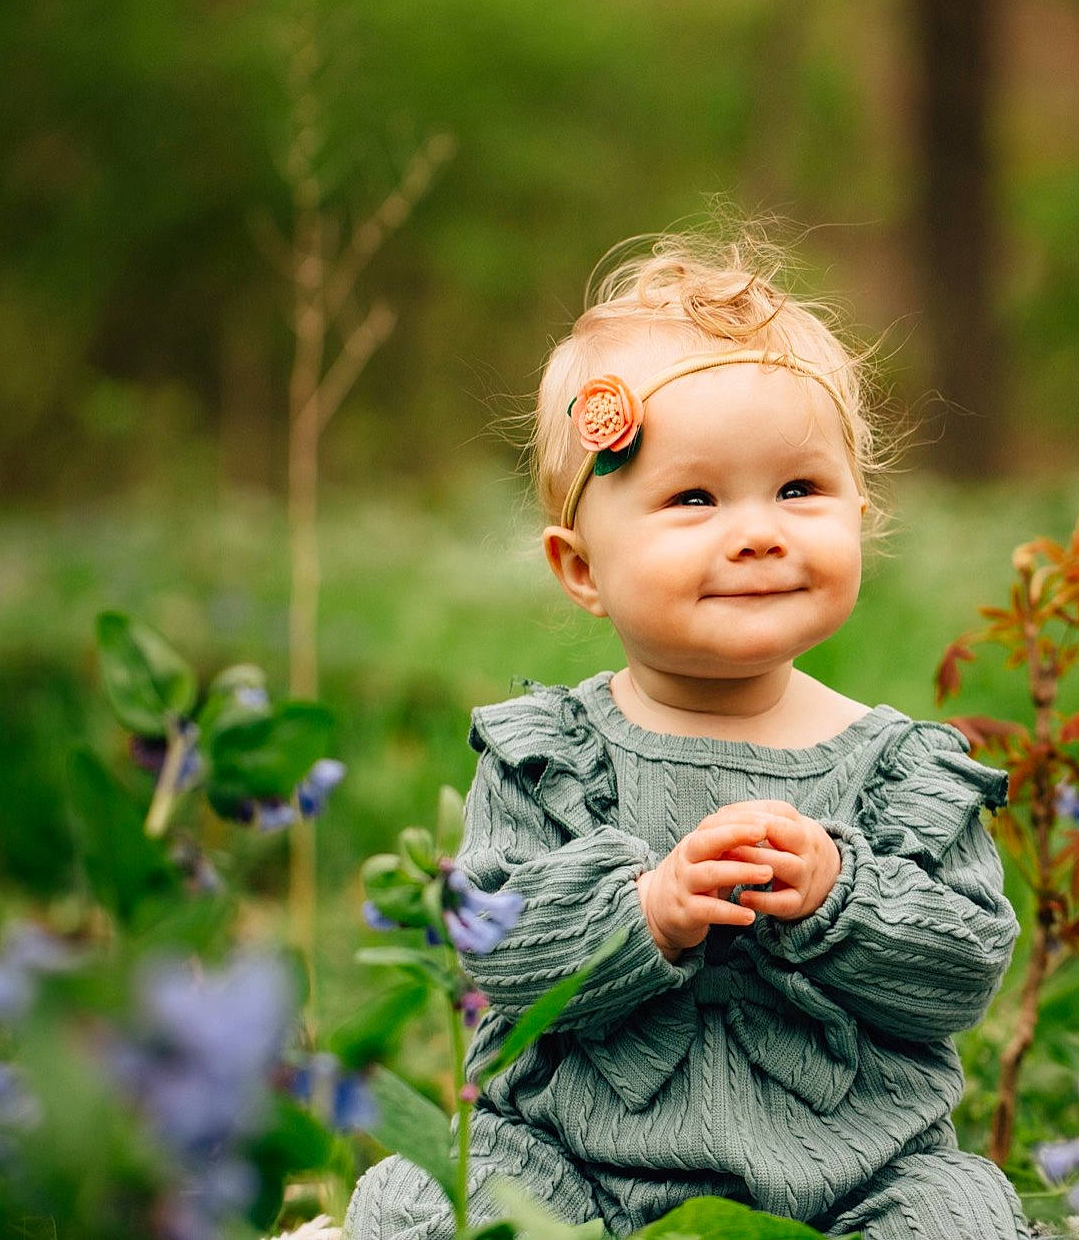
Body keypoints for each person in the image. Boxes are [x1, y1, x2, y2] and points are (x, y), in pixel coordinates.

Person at [345, 230, 1028, 1239]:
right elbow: (497, 947)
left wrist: (840, 893)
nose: (756, 531)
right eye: (693, 498)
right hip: (574, 1176)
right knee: (414, 1202)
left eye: (798, 490)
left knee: (958, 1217)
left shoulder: (900, 771)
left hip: (853, 1186)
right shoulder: (550, 757)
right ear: (579, 569)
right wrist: (645, 907)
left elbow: (962, 967)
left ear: (860, 513)